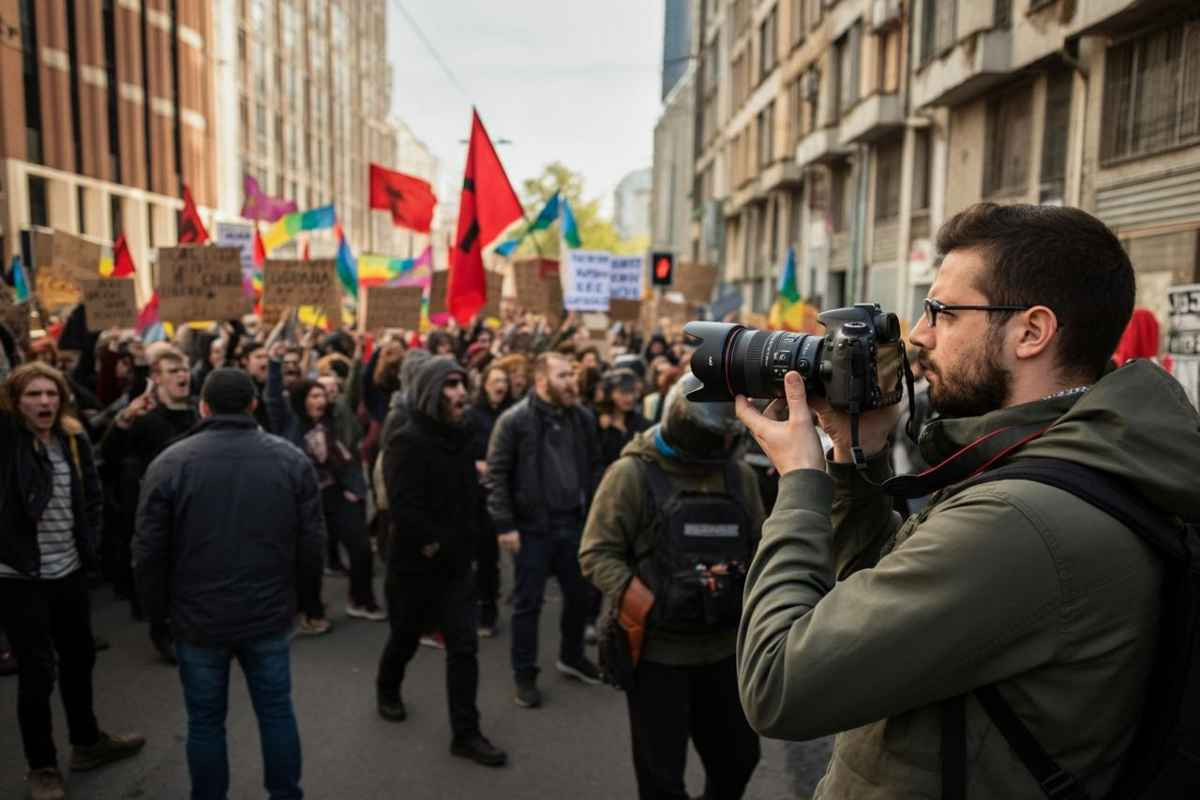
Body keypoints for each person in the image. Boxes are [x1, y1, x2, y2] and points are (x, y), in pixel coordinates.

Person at [734, 202, 1200, 797]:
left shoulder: (1023, 519)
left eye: (943, 312)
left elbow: (778, 685)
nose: (919, 335)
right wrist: (855, 457)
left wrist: (802, 480)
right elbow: (882, 603)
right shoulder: (1068, 459)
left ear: (1031, 332)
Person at [133, 368, 324, 800]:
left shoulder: (170, 464)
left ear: (204, 407)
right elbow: (312, 544)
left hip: (198, 618)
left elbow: (148, 551)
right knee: (276, 712)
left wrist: (157, 614)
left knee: (205, 722)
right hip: (267, 613)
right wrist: (305, 602)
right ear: (253, 405)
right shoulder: (290, 460)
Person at [580, 372, 765, 800]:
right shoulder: (631, 473)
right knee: (661, 779)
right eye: (714, 437)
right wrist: (647, 600)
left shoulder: (739, 476)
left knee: (738, 760)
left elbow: (760, 546)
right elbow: (596, 553)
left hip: (724, 651)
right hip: (658, 656)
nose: (721, 445)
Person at [0, 362, 145, 800]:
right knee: (37, 673)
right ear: (14, 401)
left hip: (69, 570)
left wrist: (89, 544)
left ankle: (87, 742)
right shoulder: (7, 441)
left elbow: (92, 495)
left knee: (79, 658)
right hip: (20, 577)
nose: (44, 401)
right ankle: (42, 765)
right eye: (33, 394)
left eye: (51, 394)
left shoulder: (72, 438)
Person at [376, 357, 508, 767]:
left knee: (463, 648)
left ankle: (466, 734)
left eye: (462, 383)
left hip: (456, 567)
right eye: (450, 385)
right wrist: (434, 545)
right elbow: (403, 509)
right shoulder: (406, 439)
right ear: (432, 392)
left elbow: (467, 494)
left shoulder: (464, 435)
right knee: (404, 636)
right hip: (415, 566)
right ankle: (387, 688)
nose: (461, 393)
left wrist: (478, 534)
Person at [486, 351, 604, 708]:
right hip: (533, 528)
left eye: (572, 375)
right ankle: (524, 674)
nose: (572, 382)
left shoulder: (582, 418)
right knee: (528, 604)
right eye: (563, 376)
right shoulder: (514, 421)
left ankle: (571, 656)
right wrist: (505, 524)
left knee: (580, 596)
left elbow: (594, 467)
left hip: (574, 524)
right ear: (541, 381)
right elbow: (496, 474)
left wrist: (595, 514)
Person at [266, 342, 380, 627]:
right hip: (304, 497)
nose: (321, 400)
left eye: (323, 395)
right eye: (314, 395)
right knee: (309, 558)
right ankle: (311, 611)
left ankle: (361, 599)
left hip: (337, 491)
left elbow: (356, 394)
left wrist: (354, 490)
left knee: (361, 547)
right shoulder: (288, 422)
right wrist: (275, 364)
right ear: (301, 400)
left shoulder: (332, 420)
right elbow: (274, 398)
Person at [101, 346, 198, 661]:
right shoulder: (145, 420)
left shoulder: (199, 414)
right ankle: (163, 630)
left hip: (196, 505)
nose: (182, 375)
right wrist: (124, 420)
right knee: (163, 573)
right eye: (173, 371)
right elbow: (108, 457)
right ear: (157, 379)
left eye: (184, 369)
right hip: (161, 508)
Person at [464, 363, 512, 637]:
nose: (500, 386)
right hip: (477, 494)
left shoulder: (513, 414)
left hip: (505, 493)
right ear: (484, 385)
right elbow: (461, 449)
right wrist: (476, 464)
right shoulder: (471, 416)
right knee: (478, 553)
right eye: (495, 381)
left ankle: (489, 607)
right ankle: (477, 607)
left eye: (504, 381)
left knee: (491, 558)